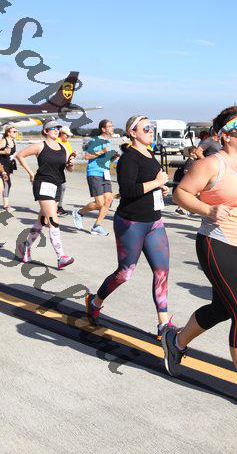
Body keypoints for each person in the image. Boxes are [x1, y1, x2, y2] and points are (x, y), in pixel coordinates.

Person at [162, 105, 237, 412]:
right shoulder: (212, 164)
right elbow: (180, 194)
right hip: (219, 244)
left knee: (222, 308)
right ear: (227, 136)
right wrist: (208, 209)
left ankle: (176, 342)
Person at [85, 115, 174, 341]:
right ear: (133, 133)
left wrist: (160, 188)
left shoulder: (150, 154)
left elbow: (149, 184)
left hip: (154, 222)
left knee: (162, 271)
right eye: (146, 128)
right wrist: (157, 183)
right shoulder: (128, 159)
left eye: (151, 127)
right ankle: (95, 301)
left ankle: (163, 324)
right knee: (125, 273)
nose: (150, 131)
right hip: (131, 223)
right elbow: (128, 191)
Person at [15, 119, 75, 269]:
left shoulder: (63, 147)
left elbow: (69, 169)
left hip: (57, 185)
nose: (56, 130)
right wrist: (30, 173)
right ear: (45, 131)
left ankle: (25, 247)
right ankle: (61, 256)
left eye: (58, 128)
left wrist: (71, 164)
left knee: (42, 221)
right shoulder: (40, 146)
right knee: (53, 219)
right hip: (43, 184)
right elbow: (20, 155)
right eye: (53, 128)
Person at [72, 119, 119, 236]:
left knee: (108, 200)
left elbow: (105, 158)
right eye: (109, 126)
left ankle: (96, 226)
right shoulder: (96, 140)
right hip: (94, 173)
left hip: (105, 173)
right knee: (99, 203)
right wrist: (101, 151)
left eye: (112, 125)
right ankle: (79, 213)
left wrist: (113, 158)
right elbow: (87, 156)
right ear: (103, 129)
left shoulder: (108, 141)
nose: (112, 128)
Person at [56, 125, 77, 216]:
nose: (68, 137)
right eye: (66, 135)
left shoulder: (66, 143)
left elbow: (68, 154)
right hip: (56, 168)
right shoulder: (57, 141)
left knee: (62, 187)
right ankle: (56, 207)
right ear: (61, 133)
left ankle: (58, 206)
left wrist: (72, 156)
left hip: (62, 168)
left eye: (69, 135)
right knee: (59, 187)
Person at [174, 146, 199, 216]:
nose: (197, 155)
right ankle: (182, 208)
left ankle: (187, 209)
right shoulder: (190, 161)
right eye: (195, 153)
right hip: (189, 181)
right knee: (189, 195)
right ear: (191, 154)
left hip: (191, 181)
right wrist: (191, 175)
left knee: (192, 195)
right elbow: (185, 171)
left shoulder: (193, 161)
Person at [0, 125, 17, 212]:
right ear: (8, 133)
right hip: (1, 165)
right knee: (6, 184)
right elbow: (4, 152)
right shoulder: (4, 141)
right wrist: (4, 152)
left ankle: (6, 205)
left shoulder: (14, 141)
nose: (16, 133)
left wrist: (14, 156)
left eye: (16, 131)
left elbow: (12, 153)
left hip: (9, 165)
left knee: (6, 184)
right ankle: (6, 206)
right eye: (14, 131)